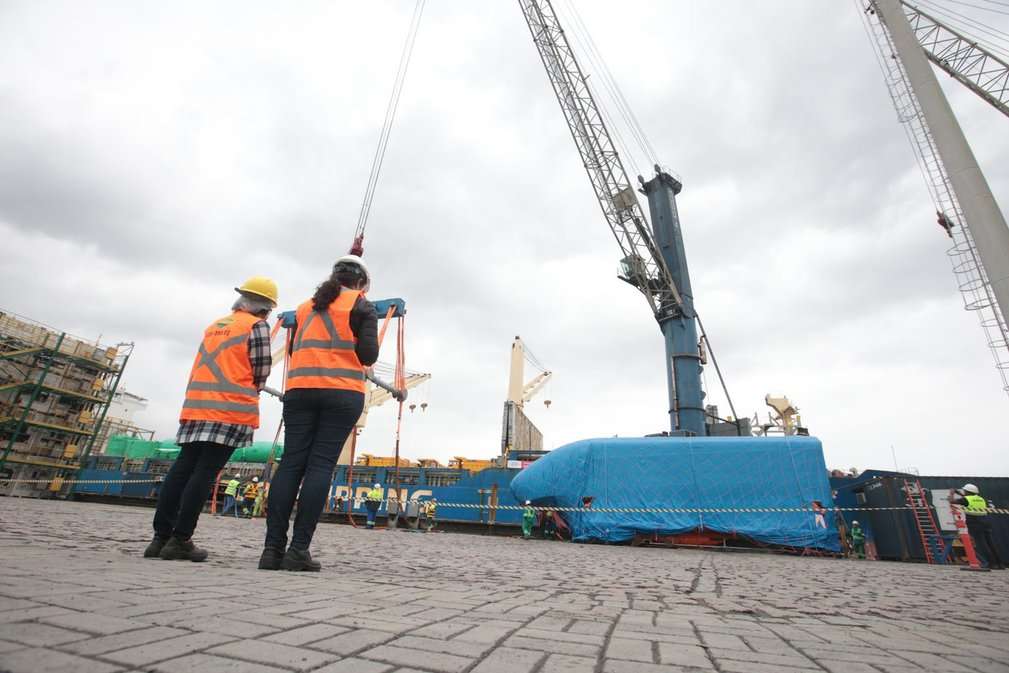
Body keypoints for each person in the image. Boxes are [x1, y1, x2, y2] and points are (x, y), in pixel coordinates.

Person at [144, 276, 277, 562]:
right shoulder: (257, 326)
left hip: (196, 406)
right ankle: (180, 539)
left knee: (182, 469)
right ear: (265, 309)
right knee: (205, 472)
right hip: (228, 409)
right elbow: (261, 371)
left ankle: (160, 538)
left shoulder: (215, 326)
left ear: (240, 301)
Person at [261, 256, 378, 571]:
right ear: (362, 283)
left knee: (290, 465)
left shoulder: (304, 307)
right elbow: (368, 354)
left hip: (300, 390)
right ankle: (298, 551)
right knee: (320, 466)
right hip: (342, 392)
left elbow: (292, 349)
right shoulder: (362, 306)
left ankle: (271, 551)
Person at [951, 483, 1005, 570]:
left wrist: (952, 493)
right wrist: (960, 493)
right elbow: (968, 499)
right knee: (990, 544)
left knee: (982, 545)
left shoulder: (966, 499)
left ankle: (991, 563)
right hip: (985, 523)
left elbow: (952, 501)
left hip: (975, 523)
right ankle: (1000, 564)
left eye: (965, 491)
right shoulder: (981, 499)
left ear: (967, 492)